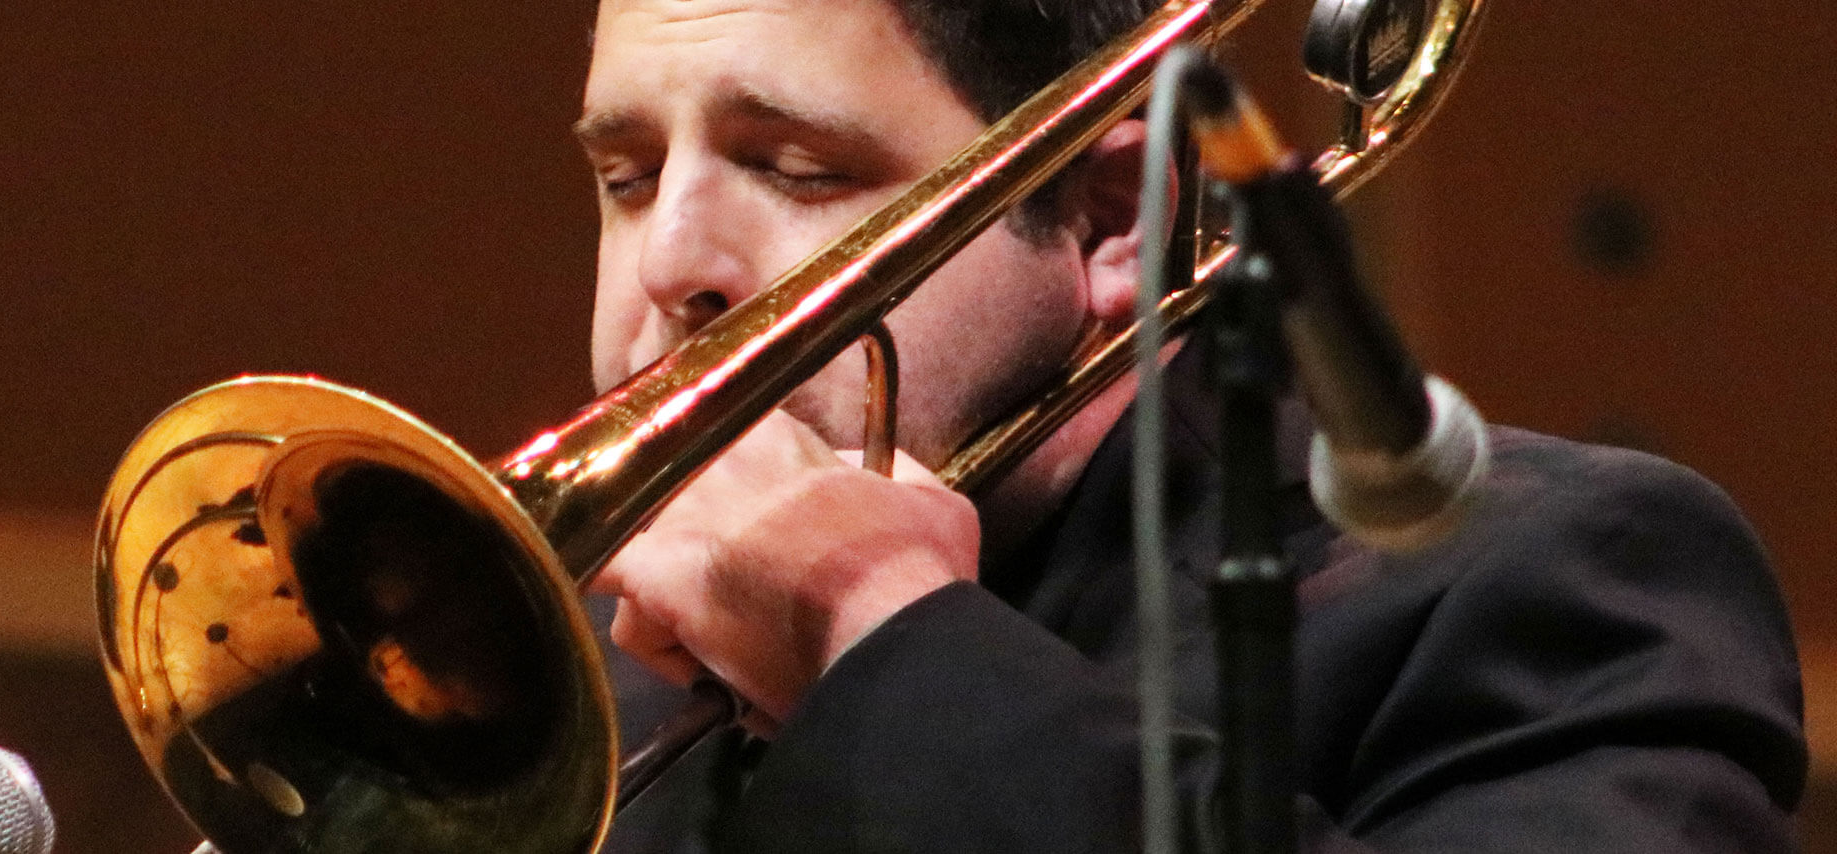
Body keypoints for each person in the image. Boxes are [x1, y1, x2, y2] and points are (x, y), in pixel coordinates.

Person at [571, 0, 1808, 851]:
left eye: (796, 166)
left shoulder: (1554, 585)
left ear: (1109, 221)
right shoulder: (575, 680)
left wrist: (881, 639)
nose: (670, 260)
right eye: (623, 178)